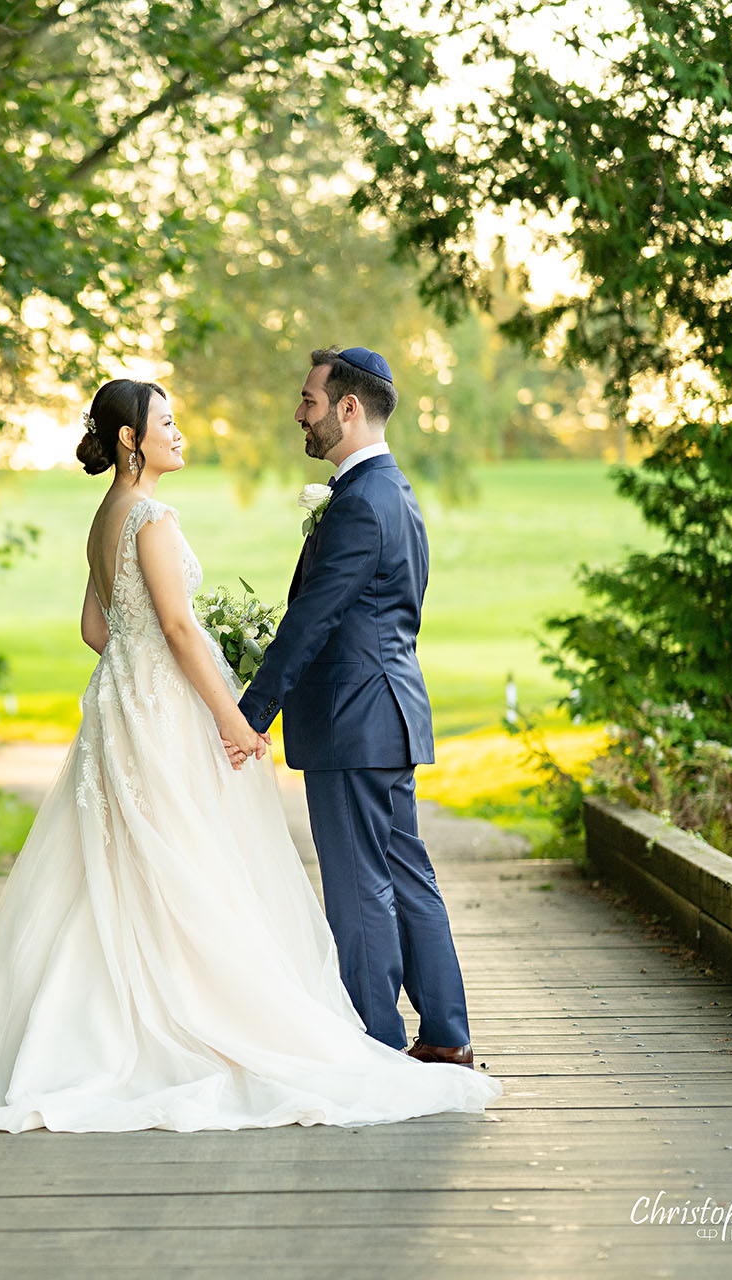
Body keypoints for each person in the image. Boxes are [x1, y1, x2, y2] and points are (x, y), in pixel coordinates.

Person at [0, 376, 501, 1133]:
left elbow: (95, 628)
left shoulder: (104, 517)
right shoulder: (156, 515)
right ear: (129, 439)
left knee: (122, 869)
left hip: (123, 711)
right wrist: (232, 717)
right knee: (192, 865)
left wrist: (135, 673)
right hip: (180, 711)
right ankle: (237, 1023)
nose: (178, 432)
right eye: (166, 422)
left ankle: (105, 1021)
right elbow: (177, 632)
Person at [237, 347, 475, 1066]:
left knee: (360, 884)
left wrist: (250, 713)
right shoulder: (392, 493)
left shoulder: (362, 503)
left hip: (352, 720)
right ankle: (445, 1036)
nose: (300, 413)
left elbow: (313, 620)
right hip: (387, 712)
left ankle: (374, 1042)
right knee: (405, 872)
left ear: (348, 408)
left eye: (310, 400)